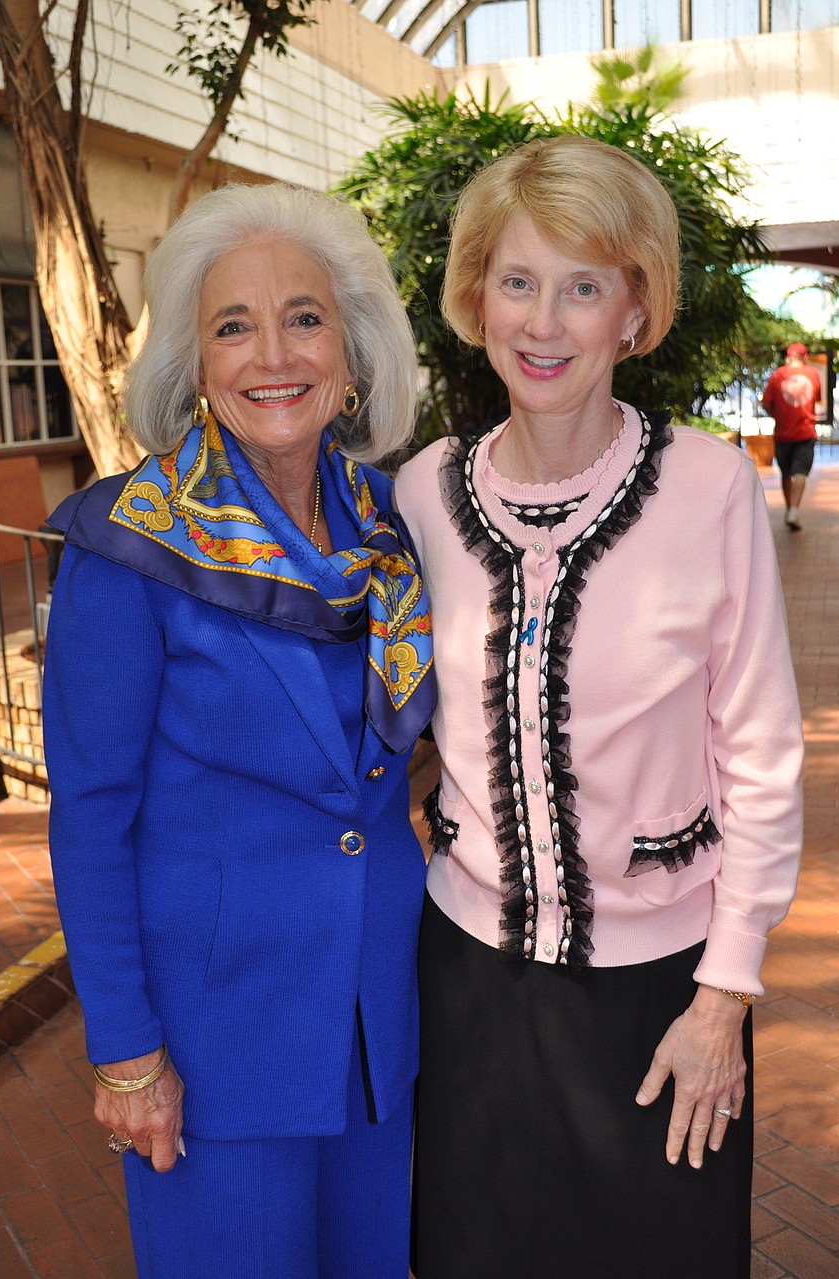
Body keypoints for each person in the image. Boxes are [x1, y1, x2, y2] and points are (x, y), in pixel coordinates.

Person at [395, 136, 803, 1279]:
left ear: (634, 309)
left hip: (661, 992)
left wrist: (723, 996)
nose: (543, 322)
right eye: (517, 281)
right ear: (476, 298)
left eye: (583, 287)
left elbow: (761, 754)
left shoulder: (708, 486)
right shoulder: (422, 492)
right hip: (469, 980)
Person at [42, 181, 435, 1279]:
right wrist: (127, 1052)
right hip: (215, 1046)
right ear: (195, 365)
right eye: (232, 325)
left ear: (351, 353)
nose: (273, 354)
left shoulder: (388, 524)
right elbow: (91, 818)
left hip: (376, 1028)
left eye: (304, 317)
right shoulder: (130, 545)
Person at [761, 341, 822, 530]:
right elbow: (816, 398)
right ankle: (793, 510)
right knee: (801, 472)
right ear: (805, 357)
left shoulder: (777, 375)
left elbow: (766, 404)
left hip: (783, 433)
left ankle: (790, 509)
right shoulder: (813, 374)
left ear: (788, 357)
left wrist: (778, 415)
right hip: (805, 431)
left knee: (786, 473)